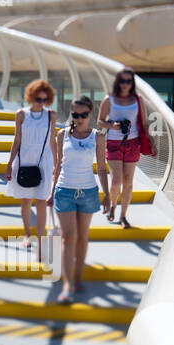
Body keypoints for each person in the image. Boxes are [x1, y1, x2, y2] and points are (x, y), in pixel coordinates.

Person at [49, 96, 108, 303]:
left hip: (88, 192)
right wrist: (52, 190)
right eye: (75, 114)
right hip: (64, 190)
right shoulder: (62, 135)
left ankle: (78, 278)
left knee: (82, 236)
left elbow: (101, 167)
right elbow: (57, 167)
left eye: (84, 114)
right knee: (68, 237)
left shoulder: (98, 137)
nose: (79, 118)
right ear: (71, 114)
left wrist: (107, 194)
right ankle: (68, 285)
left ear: (91, 114)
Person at [98, 68, 157, 228]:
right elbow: (100, 121)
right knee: (116, 181)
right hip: (114, 143)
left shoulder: (138, 99)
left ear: (132, 83)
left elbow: (144, 122)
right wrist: (113, 126)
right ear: (118, 82)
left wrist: (151, 140)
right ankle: (113, 206)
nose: (125, 84)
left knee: (128, 182)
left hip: (133, 143)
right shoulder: (109, 99)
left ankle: (123, 216)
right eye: (122, 81)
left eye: (128, 81)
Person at [4, 79, 56, 255]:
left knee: (42, 202)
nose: (40, 103)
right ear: (30, 97)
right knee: (25, 200)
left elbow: (52, 141)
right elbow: (16, 140)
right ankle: (27, 234)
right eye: (37, 99)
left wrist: (56, 164)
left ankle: (41, 241)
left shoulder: (51, 115)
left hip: (44, 161)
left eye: (43, 100)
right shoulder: (21, 114)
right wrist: (9, 163)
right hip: (24, 159)